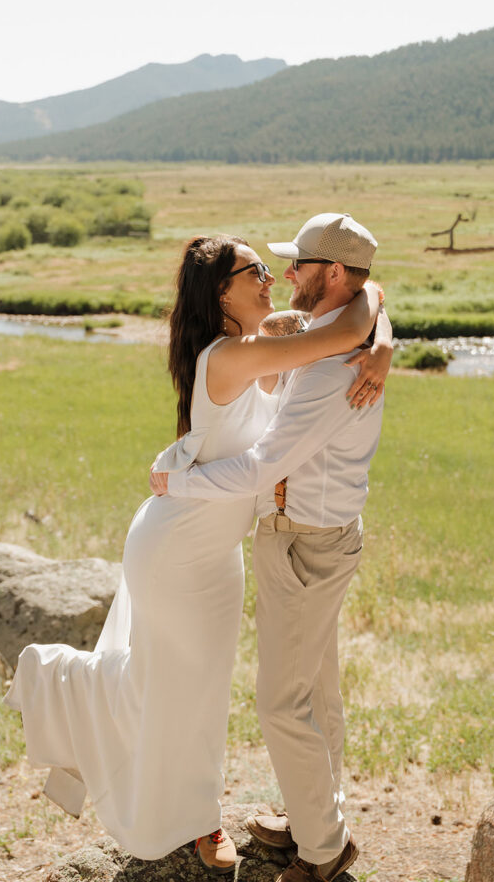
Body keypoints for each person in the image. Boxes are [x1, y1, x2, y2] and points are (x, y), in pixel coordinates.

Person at [4, 231, 391, 875]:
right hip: (176, 545)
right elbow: (344, 325)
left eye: (273, 269)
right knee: (161, 683)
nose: (270, 279)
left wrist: (376, 334)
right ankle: (61, 688)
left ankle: (197, 809)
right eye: (255, 272)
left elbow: (362, 302)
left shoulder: (263, 342)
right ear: (222, 293)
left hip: (217, 555)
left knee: (204, 691)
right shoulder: (231, 355)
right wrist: (372, 332)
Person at [151, 213, 388, 882]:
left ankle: (320, 850)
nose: (284, 277)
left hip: (304, 541)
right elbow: (367, 305)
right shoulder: (327, 336)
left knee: (283, 705)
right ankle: (312, 814)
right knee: (316, 690)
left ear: (333, 274)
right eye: (267, 268)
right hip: (315, 535)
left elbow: (261, 468)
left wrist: (177, 480)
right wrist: (382, 331)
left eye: (297, 266)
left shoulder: (325, 369)